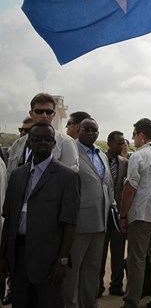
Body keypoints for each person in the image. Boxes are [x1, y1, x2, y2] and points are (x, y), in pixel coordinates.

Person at [0, 122, 80, 308]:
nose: (43, 142)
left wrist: (62, 261)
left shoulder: (68, 177)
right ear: (29, 143)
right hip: (18, 257)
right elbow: (9, 218)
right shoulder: (17, 175)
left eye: (47, 139)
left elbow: (70, 223)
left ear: (54, 143)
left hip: (48, 259)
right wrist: (3, 256)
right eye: (37, 139)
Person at [119, 118, 151, 308]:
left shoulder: (138, 156)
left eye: (134, 134)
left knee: (137, 259)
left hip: (141, 214)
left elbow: (130, 188)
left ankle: (132, 301)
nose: (133, 138)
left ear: (141, 135)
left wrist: (123, 214)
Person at [62, 118, 113, 308]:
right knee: (72, 271)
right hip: (78, 223)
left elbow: (107, 185)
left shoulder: (101, 154)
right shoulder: (71, 150)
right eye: (86, 129)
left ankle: (89, 303)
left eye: (94, 130)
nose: (90, 133)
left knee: (92, 269)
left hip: (100, 223)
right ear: (78, 130)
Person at [7, 93, 78, 177]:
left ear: (54, 114)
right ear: (31, 114)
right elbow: (10, 176)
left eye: (49, 112)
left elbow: (70, 177)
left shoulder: (65, 143)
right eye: (39, 112)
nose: (44, 116)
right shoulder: (18, 144)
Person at [99, 131, 128, 297]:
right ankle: (97, 285)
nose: (122, 146)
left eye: (123, 143)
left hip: (118, 214)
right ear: (109, 143)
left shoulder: (125, 163)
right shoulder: (99, 159)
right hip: (101, 212)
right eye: (119, 143)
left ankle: (116, 285)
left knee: (118, 252)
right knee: (100, 252)